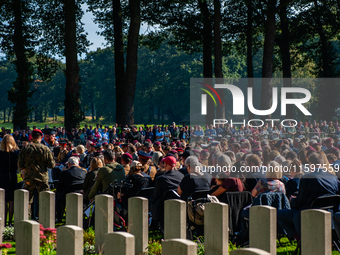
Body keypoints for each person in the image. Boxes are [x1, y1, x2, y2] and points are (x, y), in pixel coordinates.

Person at [277, 152, 338, 241]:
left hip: (308, 214)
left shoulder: (307, 178)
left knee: (277, 214)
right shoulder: (333, 177)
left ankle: (298, 237)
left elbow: (299, 203)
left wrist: (292, 200)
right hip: (329, 215)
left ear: (310, 164)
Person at [18, 129, 55, 218]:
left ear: (31, 137)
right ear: (41, 137)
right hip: (42, 178)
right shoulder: (45, 149)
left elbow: (20, 165)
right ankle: (45, 219)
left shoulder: (25, 148)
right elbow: (51, 165)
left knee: (27, 200)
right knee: (44, 199)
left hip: (29, 177)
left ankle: (26, 219)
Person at [152, 155, 184, 226]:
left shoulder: (161, 178)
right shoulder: (181, 176)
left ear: (165, 164)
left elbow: (156, 195)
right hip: (180, 203)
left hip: (164, 206)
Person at [56, 157, 86, 222]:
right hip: (81, 194)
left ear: (69, 164)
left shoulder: (64, 173)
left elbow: (59, 187)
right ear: (78, 164)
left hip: (67, 195)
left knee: (58, 195)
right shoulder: (83, 172)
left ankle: (59, 217)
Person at [0, 135, 19, 226]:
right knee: (11, 200)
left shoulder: (0, 153)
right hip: (13, 176)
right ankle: (10, 221)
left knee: (3, 199)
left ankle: (3, 221)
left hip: (2, 176)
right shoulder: (16, 153)